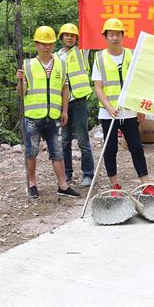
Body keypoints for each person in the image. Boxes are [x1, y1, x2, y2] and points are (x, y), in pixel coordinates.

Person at [92, 18, 154, 197]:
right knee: (111, 148)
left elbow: (139, 82)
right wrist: (109, 106)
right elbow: (98, 87)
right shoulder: (99, 58)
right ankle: (115, 186)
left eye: (118, 34)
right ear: (105, 36)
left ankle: (146, 184)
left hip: (129, 111)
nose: (115, 38)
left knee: (136, 147)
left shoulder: (131, 55)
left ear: (123, 36)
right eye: (111, 34)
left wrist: (141, 109)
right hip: (108, 113)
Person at [15, 25, 79, 199]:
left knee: (57, 151)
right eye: (43, 43)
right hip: (33, 117)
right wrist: (19, 81)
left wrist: (65, 110)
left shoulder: (61, 63)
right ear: (36, 44)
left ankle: (63, 185)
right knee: (31, 151)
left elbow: (65, 88)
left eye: (49, 43)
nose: (47, 46)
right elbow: (21, 93)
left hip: (54, 115)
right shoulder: (28, 65)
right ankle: (32, 183)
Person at [56, 23, 95, 187]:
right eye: (66, 35)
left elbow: (90, 34)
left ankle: (88, 173)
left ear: (77, 38)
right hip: (62, 103)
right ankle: (67, 174)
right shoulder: (55, 56)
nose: (69, 37)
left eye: (72, 35)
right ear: (61, 37)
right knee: (64, 140)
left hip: (78, 101)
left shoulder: (82, 52)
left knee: (82, 140)